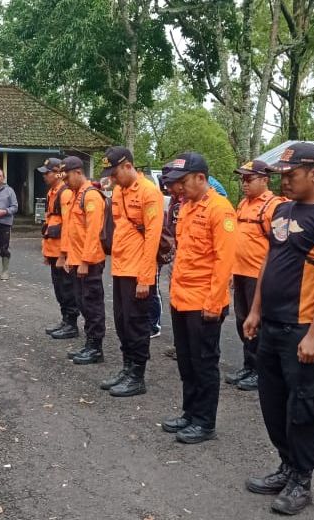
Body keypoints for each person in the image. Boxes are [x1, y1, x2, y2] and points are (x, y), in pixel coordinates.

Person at [243, 142, 314, 515]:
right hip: (271, 327)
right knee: (272, 404)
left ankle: (302, 479)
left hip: (302, 330)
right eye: (282, 175)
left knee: (303, 407)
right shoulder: (283, 211)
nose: (285, 181)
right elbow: (268, 263)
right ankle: (286, 466)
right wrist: (255, 310)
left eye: (291, 175)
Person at [160, 152, 237, 444]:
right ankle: (190, 413)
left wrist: (213, 305)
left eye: (183, 182)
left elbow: (223, 261)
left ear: (201, 178)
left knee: (204, 363)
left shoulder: (220, 210)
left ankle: (205, 422)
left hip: (205, 303)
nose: (177, 188)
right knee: (186, 362)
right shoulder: (186, 207)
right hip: (182, 300)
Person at [98, 147, 164, 397]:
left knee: (136, 324)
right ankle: (127, 368)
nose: (112, 179)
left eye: (115, 173)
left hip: (139, 271)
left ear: (128, 166)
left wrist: (145, 278)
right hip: (121, 267)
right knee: (122, 321)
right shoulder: (118, 191)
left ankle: (137, 375)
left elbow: (152, 237)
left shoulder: (149, 192)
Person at [225, 160, 285, 391]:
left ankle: (262, 371)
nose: (244, 184)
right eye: (242, 179)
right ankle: (249, 365)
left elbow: (278, 245)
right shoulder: (242, 204)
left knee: (258, 323)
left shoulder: (274, 206)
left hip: (259, 276)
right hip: (240, 272)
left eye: (249, 179)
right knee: (242, 321)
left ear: (264, 179)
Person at [56, 156, 107, 363]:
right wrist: (67, 254)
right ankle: (89, 344)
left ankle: (96, 348)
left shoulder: (91, 196)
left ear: (78, 172)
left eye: (67, 176)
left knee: (92, 304)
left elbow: (93, 232)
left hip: (90, 262)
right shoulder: (75, 195)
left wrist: (85, 261)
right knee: (82, 302)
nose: (65, 181)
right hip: (77, 260)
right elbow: (71, 230)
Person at [40, 158, 79, 339]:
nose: (44, 176)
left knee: (67, 288)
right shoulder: (52, 192)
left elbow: (68, 225)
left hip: (62, 251)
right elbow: (49, 223)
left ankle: (71, 324)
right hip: (53, 250)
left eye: (47, 172)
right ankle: (65, 320)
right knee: (59, 288)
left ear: (58, 172)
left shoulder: (64, 193)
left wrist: (64, 253)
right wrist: (46, 252)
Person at [158, 167, 185, 360]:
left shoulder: (189, 202)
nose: (167, 188)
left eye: (170, 183)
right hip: (177, 255)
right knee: (174, 300)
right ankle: (180, 344)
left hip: (192, 262)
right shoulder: (174, 202)